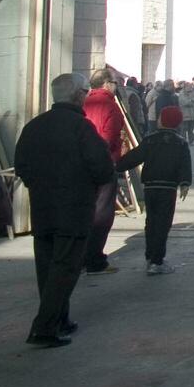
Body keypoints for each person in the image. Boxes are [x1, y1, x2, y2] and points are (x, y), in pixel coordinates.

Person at [13, 72, 115, 348]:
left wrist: (40, 185)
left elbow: (20, 164)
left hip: (43, 209)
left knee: (47, 269)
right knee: (64, 270)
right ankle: (44, 328)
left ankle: (60, 319)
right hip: (73, 210)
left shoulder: (34, 126)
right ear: (79, 95)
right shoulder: (81, 128)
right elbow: (103, 168)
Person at [116, 106, 192, 274]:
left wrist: (118, 165)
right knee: (163, 224)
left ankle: (150, 256)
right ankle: (157, 261)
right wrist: (185, 183)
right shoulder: (180, 142)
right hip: (168, 187)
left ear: (161, 120)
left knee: (151, 222)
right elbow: (185, 165)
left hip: (150, 187)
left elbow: (135, 157)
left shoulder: (150, 140)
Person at [81, 68, 126, 275]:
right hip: (104, 163)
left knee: (84, 210)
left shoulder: (83, 103)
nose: (117, 87)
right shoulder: (110, 106)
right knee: (102, 213)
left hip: (81, 165)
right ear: (107, 84)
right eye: (116, 83)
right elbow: (108, 137)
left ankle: (80, 257)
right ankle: (95, 259)